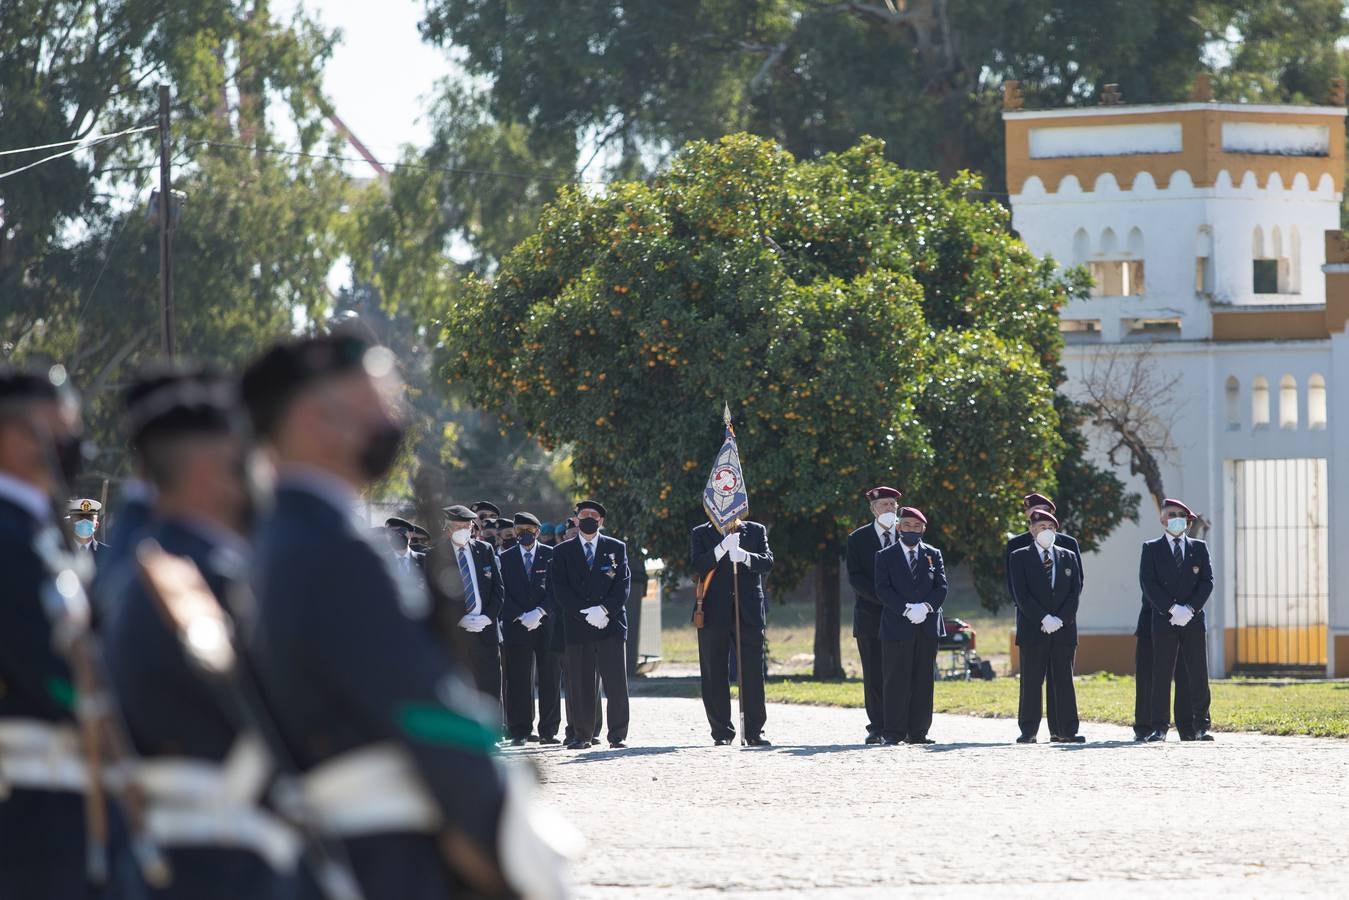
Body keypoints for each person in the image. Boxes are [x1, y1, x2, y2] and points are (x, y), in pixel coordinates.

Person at [239, 333, 517, 899]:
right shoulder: (333, 546)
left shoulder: (278, 533)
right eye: (379, 401)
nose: (397, 416)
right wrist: (505, 833)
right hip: (384, 858)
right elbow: (423, 710)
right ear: (318, 419)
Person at [102, 373, 293, 899]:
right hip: (222, 862)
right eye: (247, 461)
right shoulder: (200, 578)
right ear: (214, 471)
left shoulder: (155, 563)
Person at [0, 364, 91, 899]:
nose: (72, 444)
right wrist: (93, 703)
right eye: (58, 430)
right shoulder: (10, 538)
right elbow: (47, 670)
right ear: (11, 435)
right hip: (26, 808)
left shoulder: (37, 532)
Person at [551, 500, 631, 750]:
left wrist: (605, 609)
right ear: (575, 519)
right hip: (578, 625)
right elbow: (560, 589)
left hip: (611, 623)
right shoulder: (562, 551)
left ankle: (617, 734)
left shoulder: (616, 548)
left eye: (593, 515)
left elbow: (623, 585)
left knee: (615, 683)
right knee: (580, 683)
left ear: (601, 521)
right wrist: (585, 613)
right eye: (582, 515)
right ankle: (582, 734)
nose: (587, 519)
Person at [689, 517, 774, 746]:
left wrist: (745, 557)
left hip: (747, 612)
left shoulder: (755, 530)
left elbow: (767, 562)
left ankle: (754, 731)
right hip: (712, 611)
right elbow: (697, 565)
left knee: (752, 672)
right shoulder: (701, 532)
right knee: (714, 672)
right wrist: (721, 549)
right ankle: (722, 731)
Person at [1004, 493, 1081, 730]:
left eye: (1049, 522)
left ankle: (1063, 729)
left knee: (1062, 679)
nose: (1045, 527)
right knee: (1032, 680)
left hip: (1063, 623)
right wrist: (1042, 616)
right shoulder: (1017, 548)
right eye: (1038, 521)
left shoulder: (1068, 547)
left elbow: (1076, 586)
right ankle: (1029, 729)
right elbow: (1017, 590)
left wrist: (1060, 617)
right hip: (1032, 622)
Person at [1141, 499, 1215, 743]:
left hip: (1193, 620)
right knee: (1161, 674)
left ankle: (1201, 725)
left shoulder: (1199, 548)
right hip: (1165, 620)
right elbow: (1148, 583)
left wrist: (1190, 609)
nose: (1176, 518)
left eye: (1181, 515)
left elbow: (1207, 582)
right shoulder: (1151, 548)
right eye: (1171, 514)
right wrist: (1172, 609)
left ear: (1188, 520)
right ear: (1162, 519)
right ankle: (1159, 727)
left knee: (1198, 674)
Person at [874, 506, 947, 745]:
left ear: (924, 529)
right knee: (896, 679)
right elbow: (883, 589)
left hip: (926, 626)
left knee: (923, 680)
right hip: (897, 625)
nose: (912, 530)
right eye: (907, 525)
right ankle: (893, 732)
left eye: (917, 527)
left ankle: (919, 732)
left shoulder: (933, 553)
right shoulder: (885, 555)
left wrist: (926, 607)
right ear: (898, 527)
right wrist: (905, 609)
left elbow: (941, 587)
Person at [499, 512, 561, 746]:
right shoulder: (504, 558)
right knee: (518, 679)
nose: (525, 534)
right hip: (517, 626)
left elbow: (556, 589)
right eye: (519, 530)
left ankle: (549, 730)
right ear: (514, 532)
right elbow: (500, 592)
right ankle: (520, 730)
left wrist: (540, 612)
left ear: (538, 531)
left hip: (546, 625)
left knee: (550, 678)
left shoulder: (551, 555)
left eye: (530, 530)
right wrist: (521, 615)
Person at [846, 485, 902, 744]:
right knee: (875, 674)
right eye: (884, 505)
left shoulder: (908, 533)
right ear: (872, 509)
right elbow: (856, 579)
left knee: (900, 672)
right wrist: (887, 600)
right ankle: (877, 726)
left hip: (903, 618)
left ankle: (901, 725)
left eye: (893, 505)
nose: (889, 509)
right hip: (871, 616)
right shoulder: (858, 539)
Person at [439, 505, 505, 704]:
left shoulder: (484, 550)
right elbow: (434, 597)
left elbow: (498, 589)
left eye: (467, 526)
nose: (464, 530)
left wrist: (488, 617)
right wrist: (459, 619)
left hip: (485, 631)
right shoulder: (436, 554)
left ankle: (493, 730)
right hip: (455, 634)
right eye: (458, 526)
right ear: (447, 528)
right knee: (459, 687)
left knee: (490, 683)